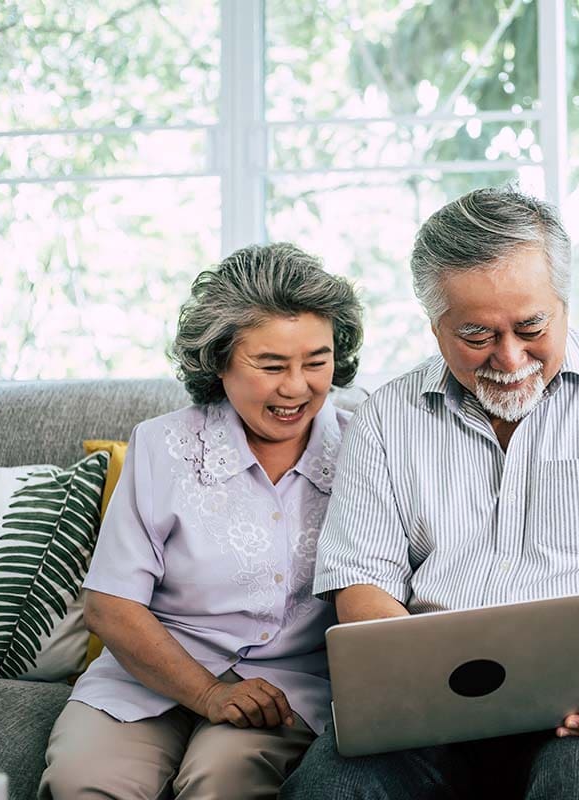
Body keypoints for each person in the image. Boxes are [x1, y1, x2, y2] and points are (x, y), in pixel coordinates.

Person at [281, 187, 579, 800]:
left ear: (564, 303)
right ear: (434, 324)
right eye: (476, 335)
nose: (511, 357)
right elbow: (362, 583)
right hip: (426, 700)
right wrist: (424, 679)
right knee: (327, 791)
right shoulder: (385, 417)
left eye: (531, 326)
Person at [39, 243, 364, 800]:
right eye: (270, 365)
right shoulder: (162, 445)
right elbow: (110, 604)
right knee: (83, 781)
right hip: (148, 674)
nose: (297, 388)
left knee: (224, 780)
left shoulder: (367, 448)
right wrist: (209, 694)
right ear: (218, 361)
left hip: (290, 688)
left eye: (317, 361)